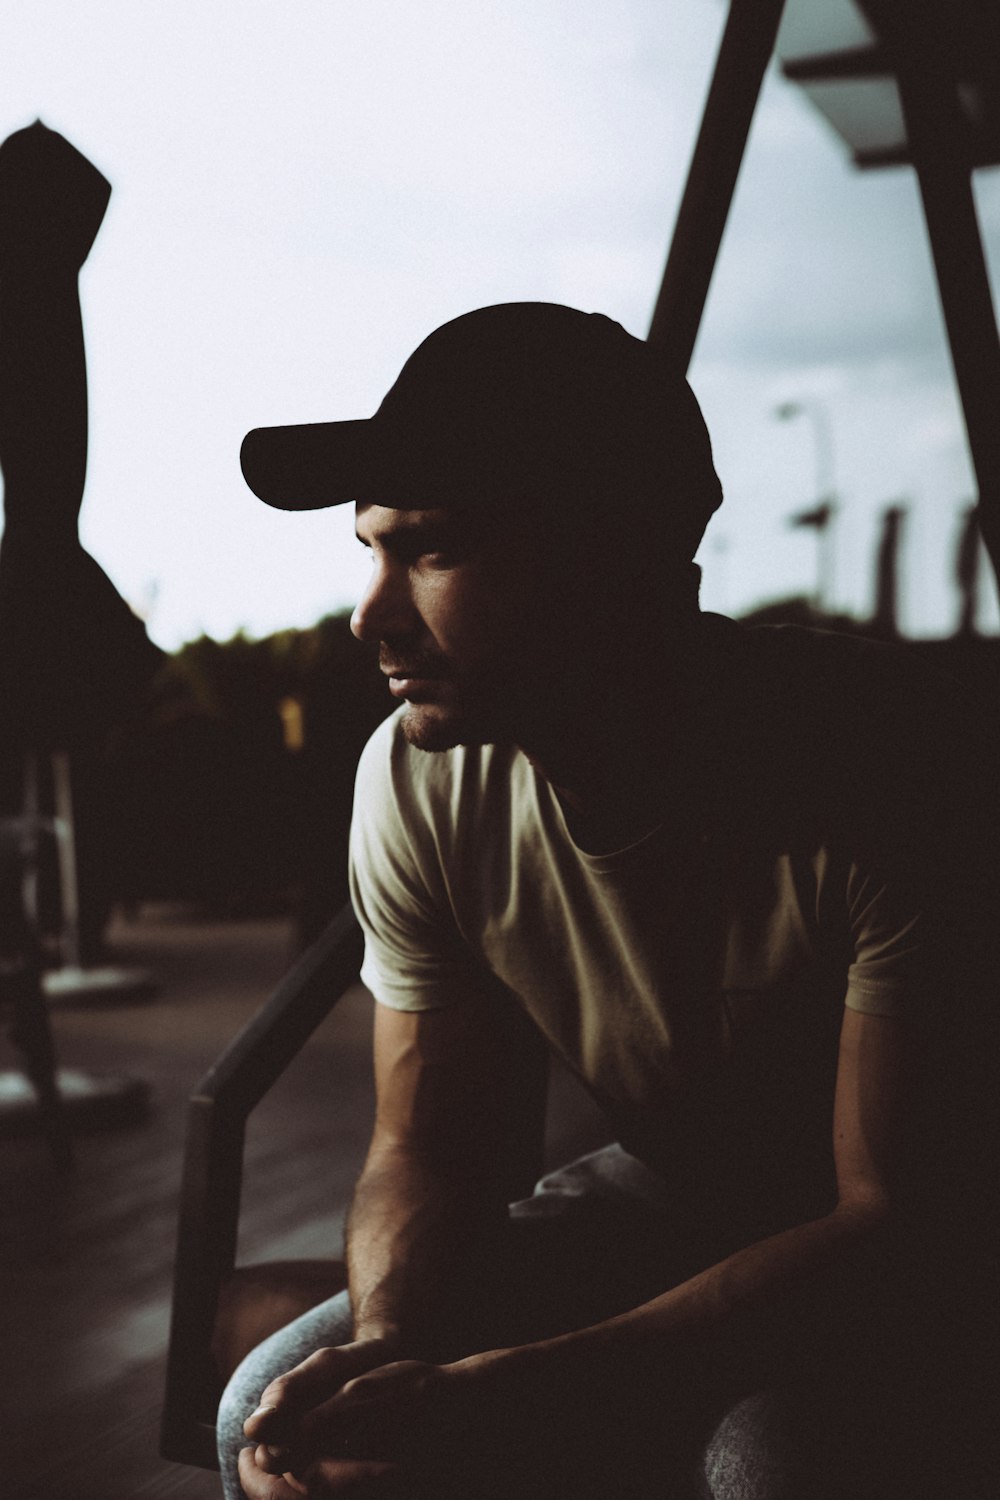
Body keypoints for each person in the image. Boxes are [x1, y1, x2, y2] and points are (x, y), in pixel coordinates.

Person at [222, 303, 996, 1498]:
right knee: (272, 1407)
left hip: (947, 1243)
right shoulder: (420, 774)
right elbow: (429, 1141)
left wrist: (521, 1382)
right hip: (677, 1187)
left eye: (432, 550)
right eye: (367, 548)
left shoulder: (886, 762)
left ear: (608, 558)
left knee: (771, 1463)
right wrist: (389, 1341)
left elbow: (884, 1221)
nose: (371, 616)